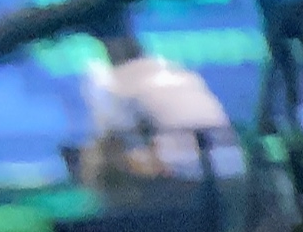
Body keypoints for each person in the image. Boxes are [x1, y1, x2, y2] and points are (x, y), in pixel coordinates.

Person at [83, 22, 231, 180]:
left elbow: (109, 140)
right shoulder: (181, 72)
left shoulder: (117, 84)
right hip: (233, 173)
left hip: (183, 178)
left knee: (103, 156)